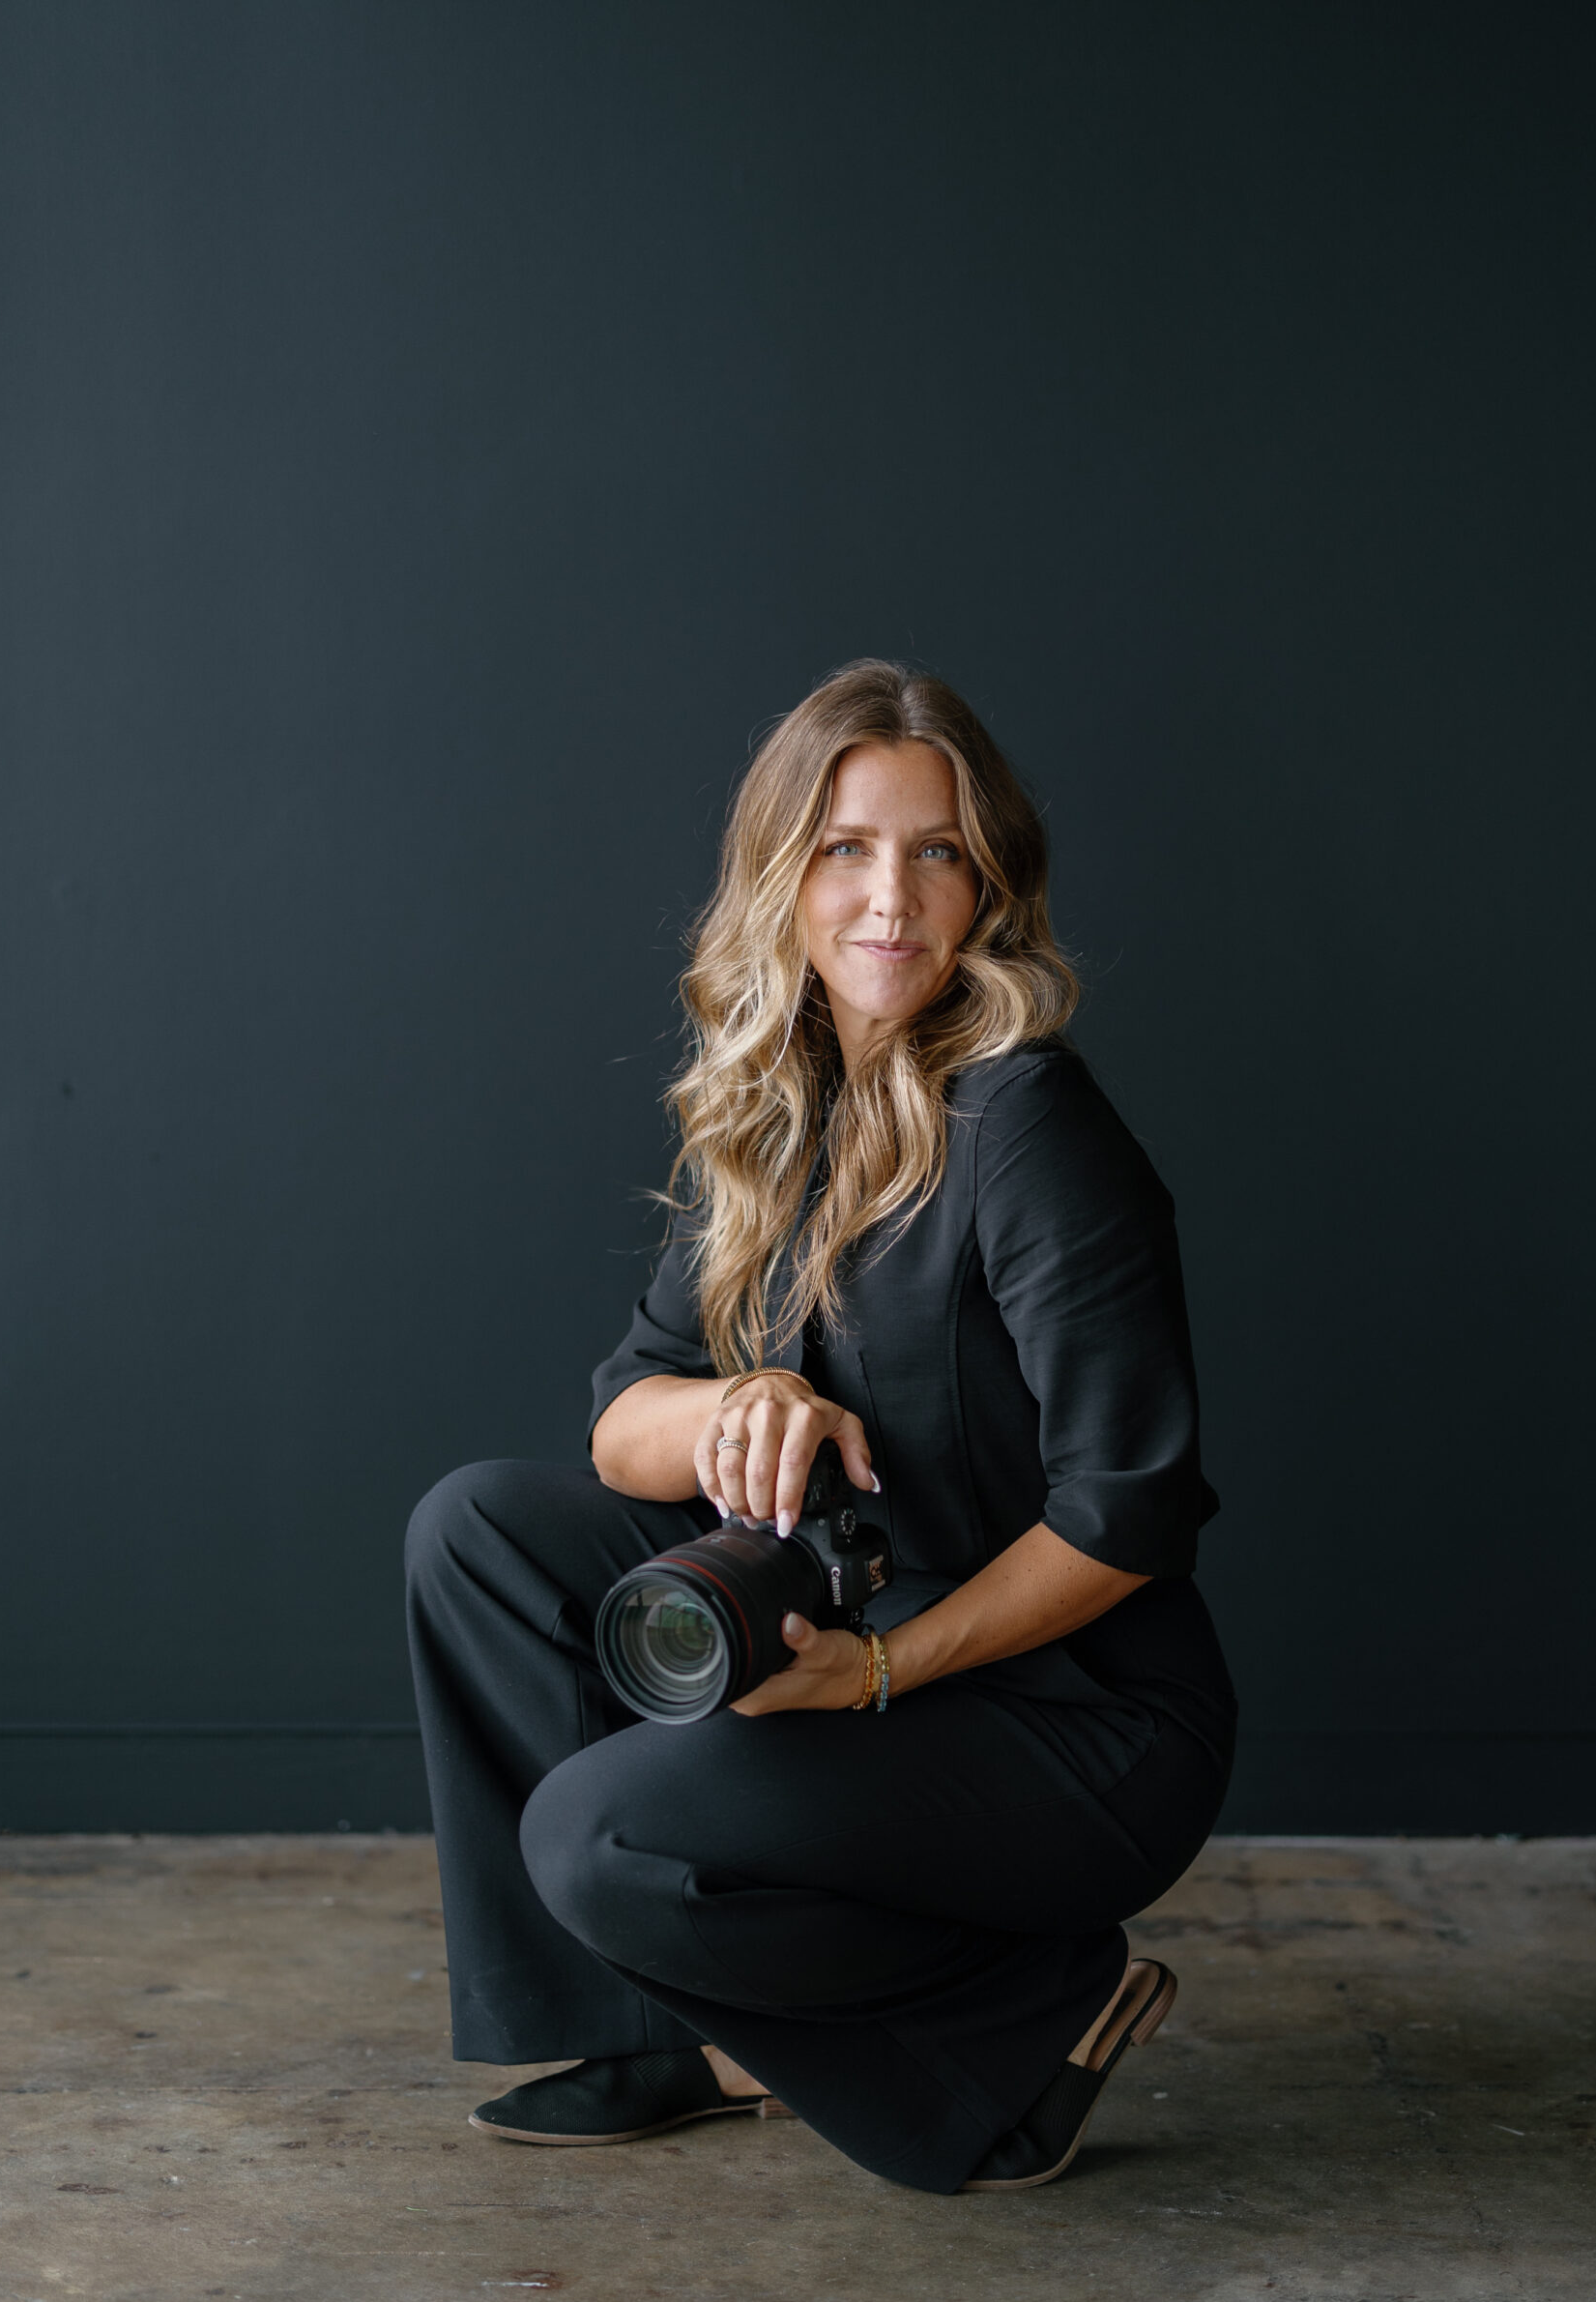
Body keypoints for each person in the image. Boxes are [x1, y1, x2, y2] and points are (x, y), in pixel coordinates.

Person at [405, 658, 1234, 2195]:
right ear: (782, 876)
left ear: (989, 885)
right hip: (856, 1620)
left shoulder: (1026, 1119)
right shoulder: (788, 1108)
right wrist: (739, 1398)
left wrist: (875, 1673)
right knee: (476, 1532)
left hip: (1076, 1713)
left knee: (599, 1836)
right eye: (847, 848)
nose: (890, 899)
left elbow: (1130, 1509)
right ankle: (654, 2036)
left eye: (936, 851)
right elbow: (619, 1424)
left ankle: (1034, 2016)